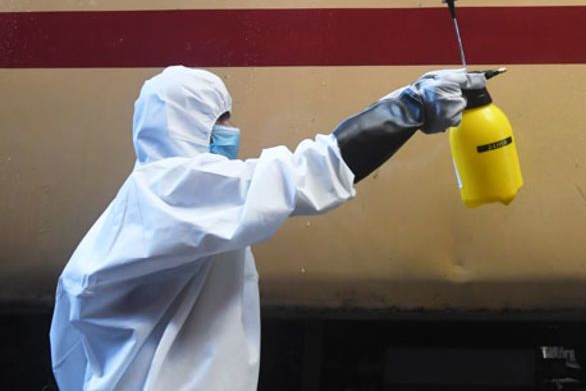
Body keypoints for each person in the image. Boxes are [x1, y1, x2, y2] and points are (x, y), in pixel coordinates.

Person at [49, 64, 480, 390]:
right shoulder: (178, 189)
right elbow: (307, 174)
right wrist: (410, 107)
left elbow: (68, 350)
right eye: (221, 120)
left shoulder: (146, 200)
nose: (231, 131)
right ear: (189, 124)